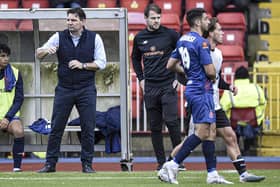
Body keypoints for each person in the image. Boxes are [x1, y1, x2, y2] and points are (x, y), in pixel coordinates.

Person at [167, 17, 265, 183]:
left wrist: (228, 87)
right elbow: (201, 73)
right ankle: (169, 164)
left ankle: (242, 174)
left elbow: (215, 77)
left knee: (229, 135)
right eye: (219, 30)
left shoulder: (218, 54)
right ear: (210, 33)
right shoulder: (200, 48)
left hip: (213, 102)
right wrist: (187, 78)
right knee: (197, 137)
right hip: (200, 98)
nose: (222, 33)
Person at [158, 8, 226, 185]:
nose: (207, 21)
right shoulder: (201, 42)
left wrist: (187, 72)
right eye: (205, 19)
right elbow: (211, 72)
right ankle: (172, 164)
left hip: (193, 88)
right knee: (203, 132)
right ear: (197, 22)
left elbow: (170, 65)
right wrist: (209, 75)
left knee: (210, 131)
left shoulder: (182, 40)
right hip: (201, 90)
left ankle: (212, 173)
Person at [35, 7, 106, 173]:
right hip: (64, 89)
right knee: (57, 127)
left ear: (82, 21)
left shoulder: (95, 38)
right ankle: (50, 164)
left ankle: (87, 164)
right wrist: (46, 50)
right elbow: (38, 54)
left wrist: (83, 65)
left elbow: (101, 63)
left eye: (73, 20)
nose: (69, 23)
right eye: (68, 20)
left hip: (86, 89)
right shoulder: (58, 37)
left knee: (88, 127)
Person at [131, 3, 183, 171]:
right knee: (155, 126)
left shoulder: (171, 35)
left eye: (158, 18)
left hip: (168, 84)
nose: (156, 21)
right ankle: (161, 162)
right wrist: (140, 78)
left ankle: (177, 160)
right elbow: (135, 59)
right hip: (150, 87)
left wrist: (178, 77)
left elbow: (185, 54)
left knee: (172, 122)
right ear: (145, 19)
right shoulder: (139, 37)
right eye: (153, 18)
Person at [220, 66, 266, 155]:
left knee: (232, 128)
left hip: (233, 123)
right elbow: (263, 103)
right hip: (252, 122)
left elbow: (223, 106)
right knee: (252, 127)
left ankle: (235, 151)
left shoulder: (230, 90)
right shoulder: (257, 88)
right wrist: (258, 117)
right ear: (248, 77)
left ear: (236, 77)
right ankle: (247, 149)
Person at [0, 43, 24, 172]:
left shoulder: (15, 73)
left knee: (19, 130)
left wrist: (7, 118)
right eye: (2, 56)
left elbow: (19, 99)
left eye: (7, 56)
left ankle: (17, 167)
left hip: (10, 117)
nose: (6, 59)